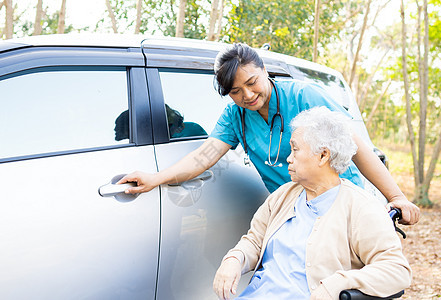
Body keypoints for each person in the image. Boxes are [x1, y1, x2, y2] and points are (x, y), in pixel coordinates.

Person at [118, 43, 419, 225]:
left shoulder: (304, 96)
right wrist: (155, 178)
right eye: (235, 91)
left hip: (343, 204)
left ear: (264, 70)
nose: (247, 95)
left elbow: (357, 147)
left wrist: (396, 197)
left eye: (252, 82)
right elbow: (204, 156)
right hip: (297, 211)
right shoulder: (236, 116)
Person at [213, 107, 412, 300]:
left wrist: (338, 283)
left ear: (323, 155)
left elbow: (396, 270)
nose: (288, 158)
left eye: (295, 149)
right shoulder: (283, 195)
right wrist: (235, 258)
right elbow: (255, 240)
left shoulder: (362, 208)